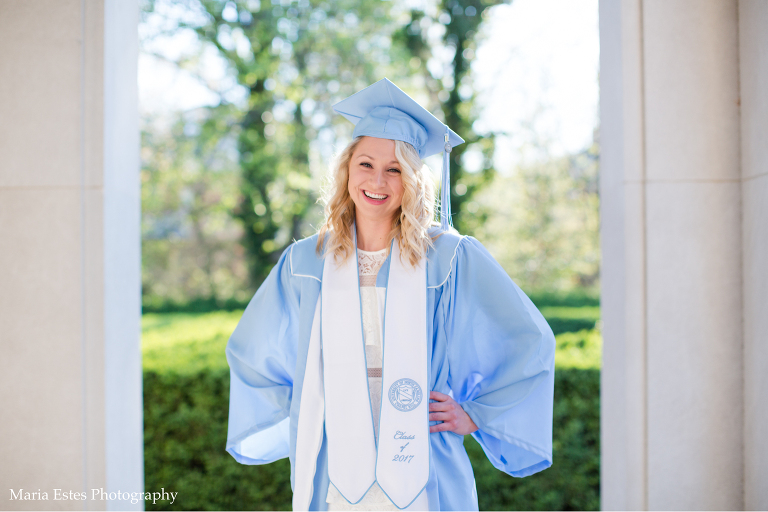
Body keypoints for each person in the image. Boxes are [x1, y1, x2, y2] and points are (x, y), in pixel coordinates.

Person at [225, 78, 555, 511]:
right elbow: (253, 354)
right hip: (333, 468)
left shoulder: (451, 258)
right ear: (346, 172)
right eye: (365, 164)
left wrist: (476, 413)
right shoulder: (306, 263)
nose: (377, 180)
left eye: (395, 168)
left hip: (425, 462)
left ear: (412, 180)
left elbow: (528, 340)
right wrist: (306, 406)